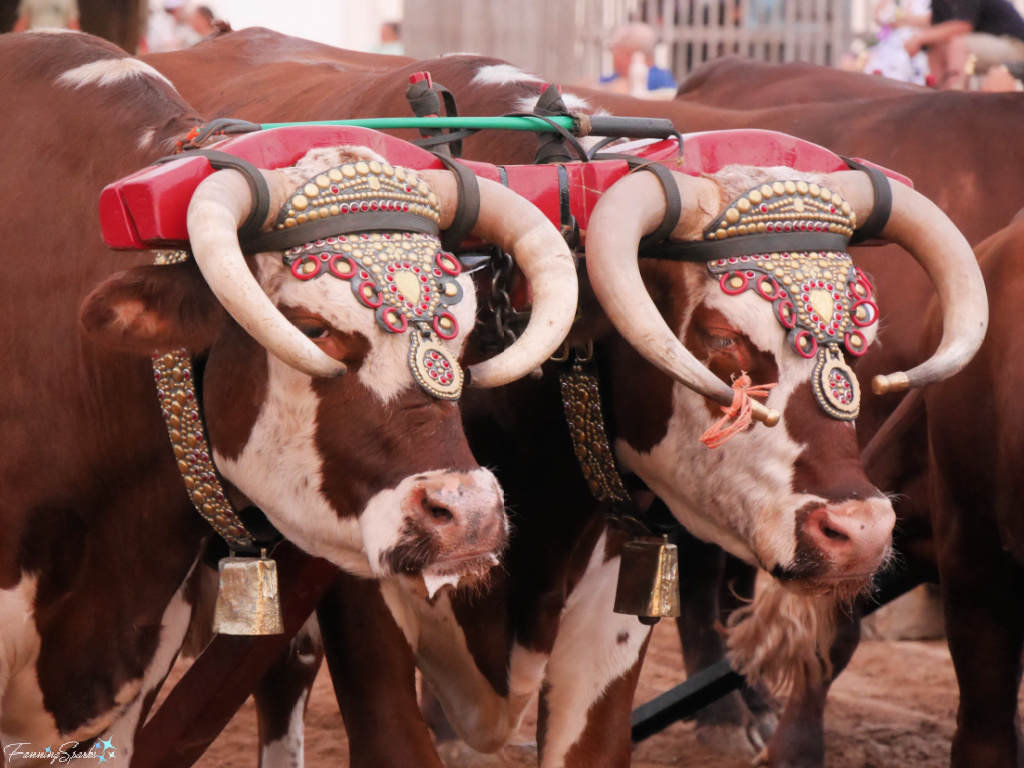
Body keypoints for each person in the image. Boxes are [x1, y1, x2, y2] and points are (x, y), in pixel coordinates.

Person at [904, 0, 1024, 87]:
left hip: (1015, 46)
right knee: (938, 48)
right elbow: (937, 30)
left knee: (958, 44)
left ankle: (955, 97)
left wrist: (919, 38)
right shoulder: (938, 4)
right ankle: (940, 95)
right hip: (988, 46)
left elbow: (963, 26)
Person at [862, 0, 932, 83]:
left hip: (918, 47)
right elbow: (879, 16)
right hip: (888, 48)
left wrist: (903, 19)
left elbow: (933, 21)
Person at [599, 22, 677, 96]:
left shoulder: (659, 80)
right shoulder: (617, 77)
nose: (613, 57)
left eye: (615, 50)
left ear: (629, 53)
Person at [13, 0, 78, 31]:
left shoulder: (68, 1)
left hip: (59, 43)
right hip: (34, 41)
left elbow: (73, 25)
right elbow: (23, 22)